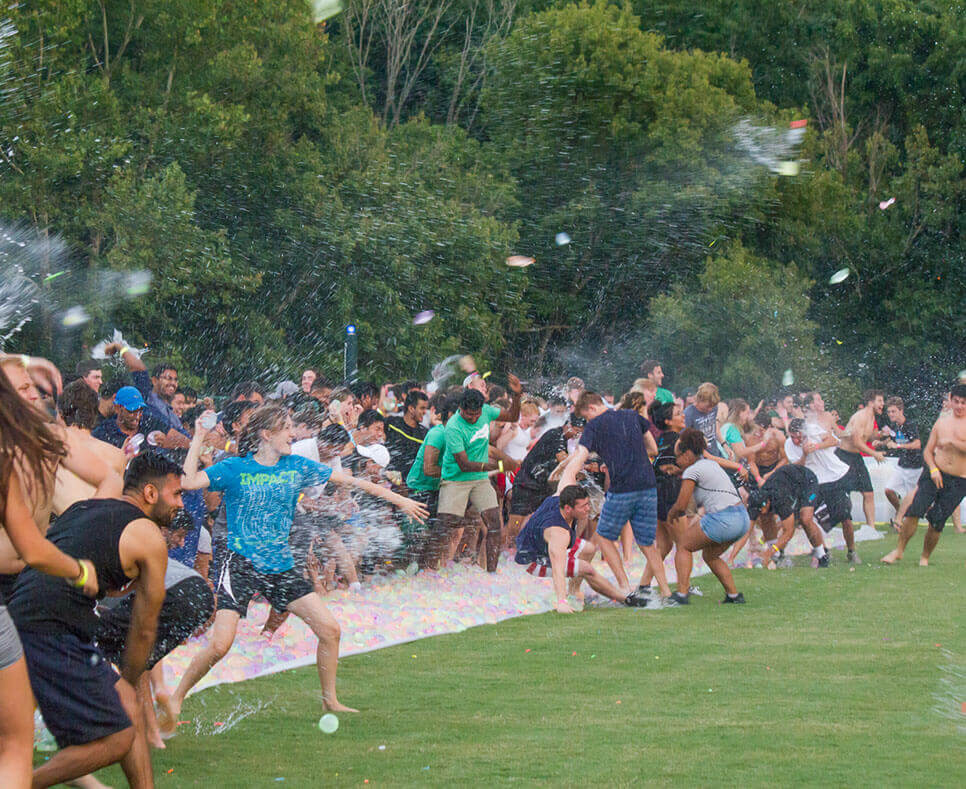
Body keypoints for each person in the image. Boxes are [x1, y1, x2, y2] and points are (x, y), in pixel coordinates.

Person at [160, 404, 428, 727]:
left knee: (330, 630)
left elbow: (354, 483)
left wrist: (401, 500)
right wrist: (199, 436)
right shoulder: (233, 468)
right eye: (286, 428)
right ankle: (175, 699)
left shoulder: (297, 466)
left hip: (280, 566)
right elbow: (187, 482)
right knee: (220, 645)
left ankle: (330, 701)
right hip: (240, 563)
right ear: (266, 434)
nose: (293, 432)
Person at [8, 451, 178, 788]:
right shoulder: (149, 536)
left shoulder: (86, 507)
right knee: (115, 739)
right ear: (150, 493)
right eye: (177, 494)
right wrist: (129, 680)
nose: (181, 504)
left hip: (22, 614)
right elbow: (144, 627)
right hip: (50, 628)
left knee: (125, 712)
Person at [0, 367, 100, 787]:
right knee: (16, 740)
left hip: (18, 586)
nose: (32, 393)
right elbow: (33, 547)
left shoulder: (35, 446)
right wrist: (81, 571)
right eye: (21, 388)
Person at [558, 391, 673, 604]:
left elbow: (581, 455)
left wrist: (567, 477)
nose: (586, 421)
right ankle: (666, 593)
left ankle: (625, 587)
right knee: (648, 544)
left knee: (604, 537)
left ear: (591, 408)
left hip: (622, 489)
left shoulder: (595, 426)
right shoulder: (631, 416)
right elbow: (653, 447)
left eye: (586, 415)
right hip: (647, 485)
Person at [434, 378, 523, 573]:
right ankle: (434, 569)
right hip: (455, 479)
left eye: (476, 415)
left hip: (480, 480)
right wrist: (497, 465)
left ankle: (491, 572)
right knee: (444, 526)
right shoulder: (454, 426)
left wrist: (517, 395)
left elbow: (512, 416)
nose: (473, 418)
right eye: (469, 415)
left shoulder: (488, 412)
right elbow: (465, 465)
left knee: (494, 523)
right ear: (461, 409)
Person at [514, 486, 637, 611]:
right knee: (587, 569)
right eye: (583, 506)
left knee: (589, 549)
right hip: (534, 560)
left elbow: (570, 470)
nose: (588, 509)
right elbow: (558, 570)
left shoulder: (559, 497)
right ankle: (625, 599)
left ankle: (573, 592)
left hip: (538, 545)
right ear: (568, 508)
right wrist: (561, 602)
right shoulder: (559, 533)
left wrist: (568, 465)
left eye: (587, 504)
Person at [882, 383, 966, 566]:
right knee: (914, 510)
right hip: (934, 472)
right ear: (951, 401)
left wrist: (954, 443)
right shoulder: (942, 422)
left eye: (964, 403)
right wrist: (934, 469)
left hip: (959, 480)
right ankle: (899, 550)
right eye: (957, 402)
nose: (959, 406)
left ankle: (925, 557)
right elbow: (927, 451)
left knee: (937, 521)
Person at [665, 429, 749, 604]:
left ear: (687, 454)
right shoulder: (710, 464)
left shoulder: (692, 471)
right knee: (710, 556)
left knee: (684, 546)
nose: (677, 461)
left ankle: (681, 594)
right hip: (742, 518)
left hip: (723, 519)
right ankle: (734, 596)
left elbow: (681, 506)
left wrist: (670, 514)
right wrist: (678, 471)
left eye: (678, 457)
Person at [784, 412, 863, 564]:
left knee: (845, 517)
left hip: (835, 477)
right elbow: (796, 467)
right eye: (792, 436)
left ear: (804, 432)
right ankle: (822, 551)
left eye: (798, 436)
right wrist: (805, 454)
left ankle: (851, 551)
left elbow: (835, 441)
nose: (795, 440)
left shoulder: (813, 430)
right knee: (805, 518)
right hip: (814, 483)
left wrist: (817, 446)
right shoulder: (789, 444)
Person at [506, 416, 583, 546]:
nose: (576, 435)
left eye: (580, 432)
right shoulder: (555, 435)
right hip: (526, 483)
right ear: (568, 425)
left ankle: (518, 549)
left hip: (539, 485)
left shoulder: (563, 438)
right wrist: (580, 466)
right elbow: (562, 458)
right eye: (576, 430)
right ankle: (504, 549)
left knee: (534, 520)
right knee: (515, 523)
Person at [744, 465, 829, 568]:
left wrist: (768, 552)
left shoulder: (780, 498)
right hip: (790, 485)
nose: (761, 512)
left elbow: (789, 532)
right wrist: (731, 557)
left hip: (809, 483)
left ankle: (822, 556)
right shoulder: (758, 499)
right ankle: (777, 556)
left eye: (762, 508)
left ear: (767, 502)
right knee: (766, 517)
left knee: (805, 519)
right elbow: (747, 530)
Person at [835, 390, 886, 532]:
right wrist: (874, 454)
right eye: (880, 401)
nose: (883, 404)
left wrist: (881, 436)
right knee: (841, 493)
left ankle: (871, 528)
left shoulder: (872, 418)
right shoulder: (860, 417)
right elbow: (857, 442)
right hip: (843, 457)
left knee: (868, 493)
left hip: (856, 458)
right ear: (871, 402)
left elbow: (868, 438)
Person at [875, 397, 922, 528]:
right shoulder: (895, 426)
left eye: (893, 411)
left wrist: (898, 447)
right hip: (902, 465)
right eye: (889, 412)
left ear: (901, 411)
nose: (890, 414)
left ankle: (902, 517)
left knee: (917, 501)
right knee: (888, 490)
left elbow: (917, 444)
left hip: (914, 467)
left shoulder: (910, 424)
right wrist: (881, 443)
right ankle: (900, 514)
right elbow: (893, 439)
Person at [384, 390, 429, 481]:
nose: (425, 412)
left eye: (425, 408)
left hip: (409, 485)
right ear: (411, 408)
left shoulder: (425, 434)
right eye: (422, 408)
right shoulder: (391, 423)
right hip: (387, 479)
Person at [684, 382, 725, 457]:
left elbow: (714, 430)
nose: (710, 409)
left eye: (713, 406)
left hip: (714, 451)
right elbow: (685, 439)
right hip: (700, 455)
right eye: (708, 406)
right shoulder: (689, 413)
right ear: (699, 399)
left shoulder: (714, 408)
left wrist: (724, 445)